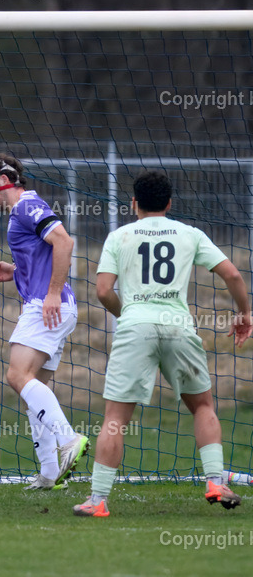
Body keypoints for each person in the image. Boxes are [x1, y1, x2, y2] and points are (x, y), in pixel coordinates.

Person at [74, 170, 251, 517]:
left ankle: (97, 500)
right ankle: (216, 481)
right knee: (203, 406)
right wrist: (244, 313)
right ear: (169, 204)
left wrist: (129, 314)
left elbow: (103, 291)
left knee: (115, 418)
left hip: (135, 329)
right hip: (178, 328)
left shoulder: (119, 236)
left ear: (134, 204)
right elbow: (232, 274)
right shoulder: (190, 234)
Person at [0, 153, 89, 490]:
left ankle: (69, 440)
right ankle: (50, 473)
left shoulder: (25, 206)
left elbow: (64, 242)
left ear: (1, 179)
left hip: (46, 306)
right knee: (33, 390)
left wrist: (52, 293)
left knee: (16, 375)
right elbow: (45, 253)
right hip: (53, 306)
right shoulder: (20, 212)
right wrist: (15, 270)